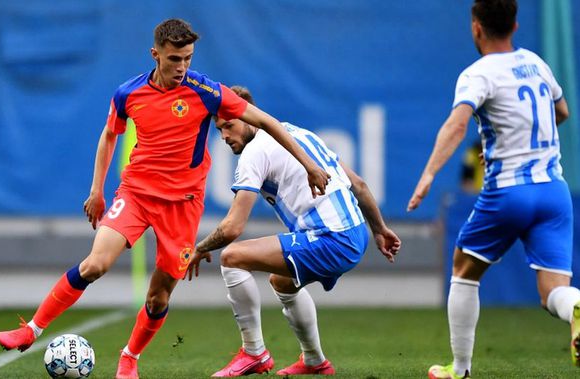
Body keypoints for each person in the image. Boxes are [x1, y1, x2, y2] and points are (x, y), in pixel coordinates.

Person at [0, 19, 330, 379]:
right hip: (137, 193)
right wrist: (97, 190)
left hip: (183, 205)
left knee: (158, 298)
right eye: (174, 59)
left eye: (187, 58)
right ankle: (33, 329)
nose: (182, 67)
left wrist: (309, 164)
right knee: (96, 264)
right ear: (155, 55)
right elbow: (110, 136)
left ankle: (129, 358)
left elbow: (266, 121)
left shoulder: (206, 91)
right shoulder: (129, 93)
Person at [407, 1, 579, 378]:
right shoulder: (537, 64)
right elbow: (561, 111)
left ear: (476, 28)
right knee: (553, 293)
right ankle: (578, 309)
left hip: (510, 192)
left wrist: (428, 174)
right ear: (515, 24)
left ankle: (461, 369)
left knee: (464, 270)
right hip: (554, 191)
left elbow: (456, 125)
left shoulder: (477, 74)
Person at [187, 86, 401, 377]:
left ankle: (254, 352)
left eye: (229, 126)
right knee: (283, 282)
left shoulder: (255, 152)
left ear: (248, 117)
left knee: (232, 257)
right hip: (354, 233)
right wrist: (380, 229)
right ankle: (314, 361)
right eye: (220, 129)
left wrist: (199, 248)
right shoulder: (298, 134)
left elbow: (233, 227)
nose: (224, 136)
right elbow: (359, 184)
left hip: (332, 238)